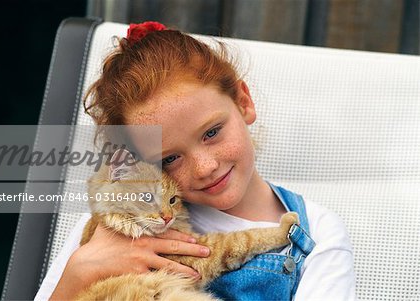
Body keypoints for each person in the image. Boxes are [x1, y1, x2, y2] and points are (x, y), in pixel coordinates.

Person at [36, 21, 356, 300]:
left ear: (243, 102)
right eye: (170, 158)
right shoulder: (115, 226)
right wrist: (79, 271)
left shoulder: (317, 232)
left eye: (212, 132)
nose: (205, 167)